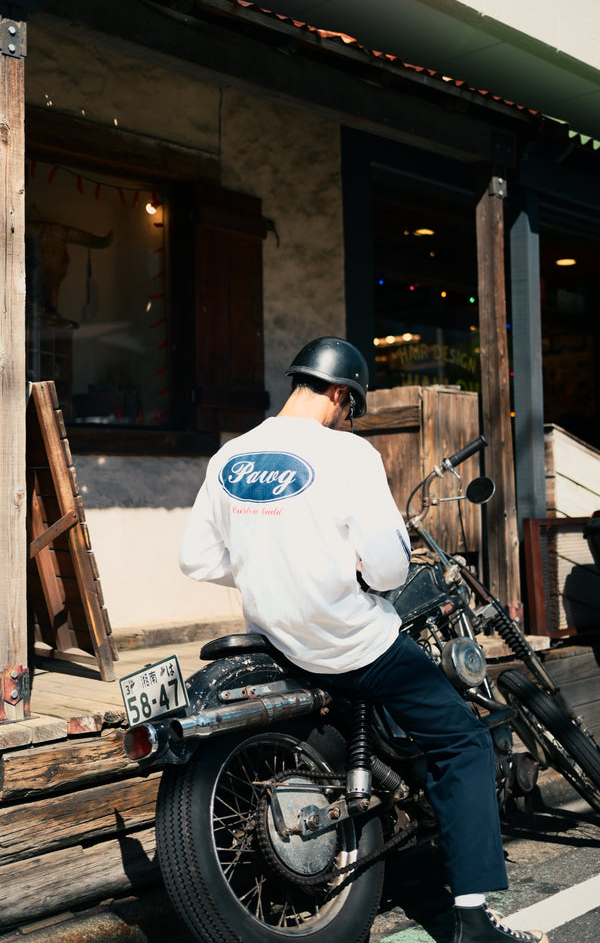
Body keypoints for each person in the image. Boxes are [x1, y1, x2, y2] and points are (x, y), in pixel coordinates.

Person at [180, 336, 547, 943]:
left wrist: (262, 565)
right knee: (463, 742)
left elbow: (196, 558)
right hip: (351, 646)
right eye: (351, 406)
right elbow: (390, 567)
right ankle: (472, 920)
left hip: (278, 642)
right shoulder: (348, 454)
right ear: (338, 393)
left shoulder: (230, 456)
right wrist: (352, 569)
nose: (347, 417)